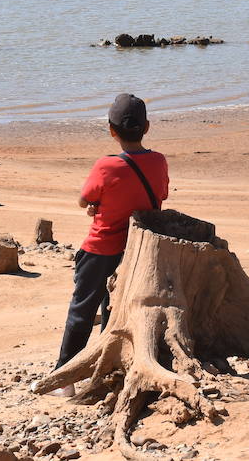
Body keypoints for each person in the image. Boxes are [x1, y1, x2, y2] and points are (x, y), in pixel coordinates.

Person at [44, 93, 169, 395]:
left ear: (111, 131)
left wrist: (95, 205)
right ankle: (107, 367)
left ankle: (66, 375)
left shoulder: (106, 165)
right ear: (147, 127)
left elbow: (84, 199)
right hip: (137, 250)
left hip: (101, 248)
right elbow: (160, 197)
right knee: (114, 311)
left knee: (81, 311)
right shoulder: (158, 161)